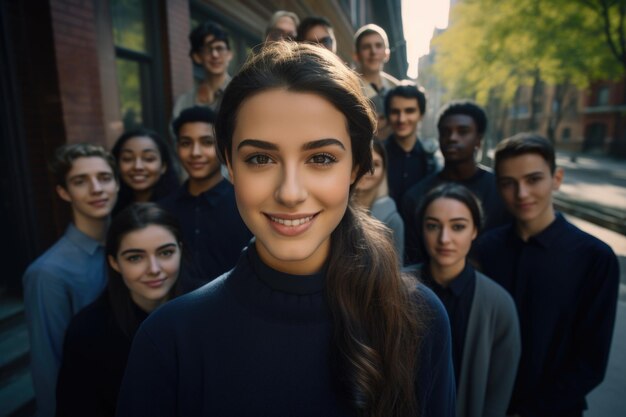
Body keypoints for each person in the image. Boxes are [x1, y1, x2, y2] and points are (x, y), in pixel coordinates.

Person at [117, 42, 455, 417]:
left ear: (357, 168)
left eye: (321, 158)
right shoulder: (168, 340)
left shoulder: (418, 320)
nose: (290, 193)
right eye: (260, 159)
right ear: (229, 163)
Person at [471, 133, 619, 417]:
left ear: (557, 179)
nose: (522, 193)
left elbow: (591, 362)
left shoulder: (595, 258)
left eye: (533, 179)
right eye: (508, 184)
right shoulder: (485, 250)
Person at [56, 203, 181, 417]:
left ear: (180, 249)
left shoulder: (213, 310)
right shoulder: (87, 332)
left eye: (165, 253)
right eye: (135, 257)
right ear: (114, 262)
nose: (154, 269)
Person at [406, 183, 521, 417]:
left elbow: (498, 393)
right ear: (421, 230)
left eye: (458, 227)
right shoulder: (393, 288)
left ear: (475, 231)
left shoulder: (499, 304)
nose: (444, 238)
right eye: (432, 226)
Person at [22, 143, 119, 417]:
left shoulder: (134, 249)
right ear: (64, 192)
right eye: (80, 181)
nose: (96, 189)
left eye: (104, 178)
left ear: (116, 184)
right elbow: (47, 365)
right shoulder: (47, 272)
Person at [402, 100, 510, 264]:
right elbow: (412, 259)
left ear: (478, 140)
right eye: (445, 132)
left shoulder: (501, 190)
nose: (452, 138)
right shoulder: (416, 196)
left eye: (463, 131)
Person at [159, 106, 251, 291]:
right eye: (186, 143)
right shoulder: (163, 210)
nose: (195, 153)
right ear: (177, 147)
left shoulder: (246, 205)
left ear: (223, 147)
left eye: (207, 142)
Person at [384, 82, 438, 209]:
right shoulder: (375, 158)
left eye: (410, 111)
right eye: (395, 112)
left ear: (421, 114)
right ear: (387, 115)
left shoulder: (432, 162)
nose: (401, 119)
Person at [354, 141, 404, 260]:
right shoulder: (333, 208)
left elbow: (396, 272)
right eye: (361, 161)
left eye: (375, 164)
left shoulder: (392, 219)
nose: (367, 170)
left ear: (384, 171)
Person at [172, 20, 233, 119]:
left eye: (219, 48)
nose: (215, 55)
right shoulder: (184, 102)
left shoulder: (241, 93)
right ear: (197, 56)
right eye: (208, 49)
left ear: (229, 54)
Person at [111, 128, 179, 215]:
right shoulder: (110, 210)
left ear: (163, 166)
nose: (138, 166)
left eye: (148, 159)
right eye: (128, 159)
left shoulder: (180, 209)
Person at [353, 23, 399, 140]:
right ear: (357, 56)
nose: (373, 52)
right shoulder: (346, 87)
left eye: (378, 45)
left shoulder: (397, 88)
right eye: (366, 47)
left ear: (386, 53)